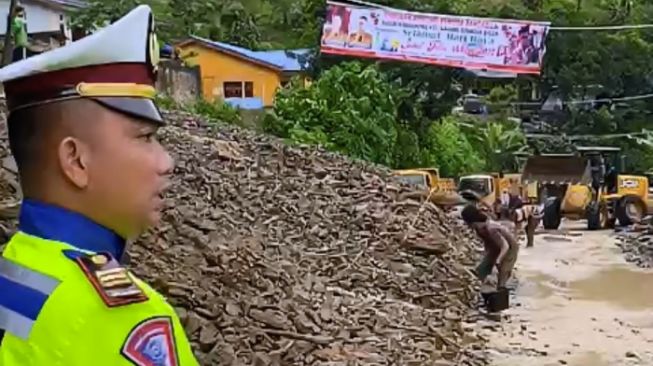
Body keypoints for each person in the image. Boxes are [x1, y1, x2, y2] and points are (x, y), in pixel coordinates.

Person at [0, 5, 198, 365]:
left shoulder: (19, 265)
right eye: (145, 137)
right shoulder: (121, 321)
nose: (166, 162)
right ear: (76, 161)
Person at [461, 204, 520, 290]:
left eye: (470, 224)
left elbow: (505, 246)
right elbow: (487, 244)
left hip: (510, 248)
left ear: (474, 221)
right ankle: (479, 289)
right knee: (482, 269)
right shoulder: (479, 229)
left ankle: (500, 295)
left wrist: (498, 261)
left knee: (503, 273)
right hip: (495, 247)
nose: (470, 227)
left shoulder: (491, 228)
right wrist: (488, 257)